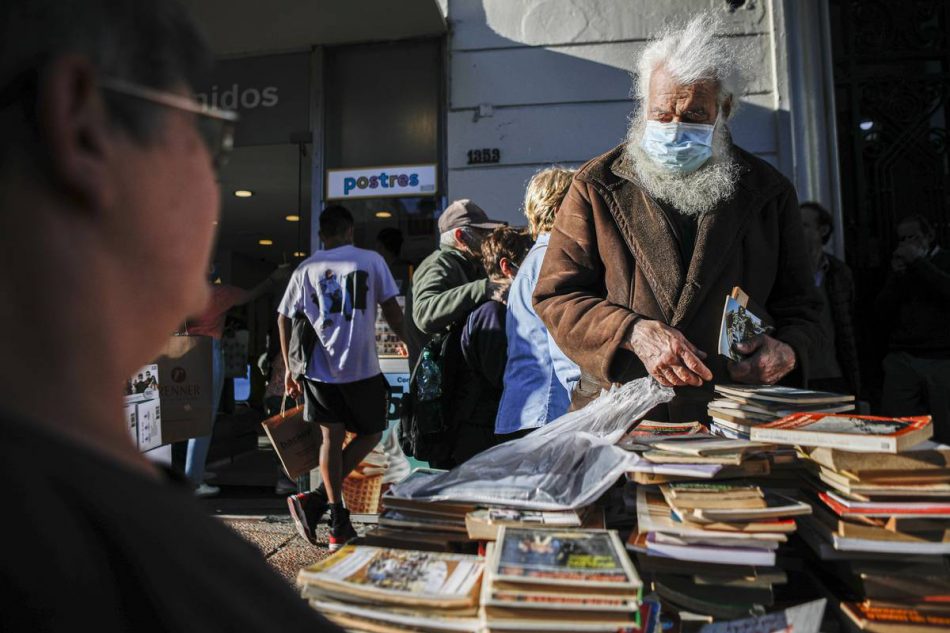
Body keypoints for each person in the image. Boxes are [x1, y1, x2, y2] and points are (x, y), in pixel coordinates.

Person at [0, 0, 343, 630]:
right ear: (85, 129)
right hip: (201, 362)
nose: (212, 181)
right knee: (196, 421)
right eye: (207, 136)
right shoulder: (174, 584)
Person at [533, 14, 823, 422]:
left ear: (724, 110)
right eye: (662, 114)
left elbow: (804, 308)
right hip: (627, 413)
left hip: (732, 413)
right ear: (643, 108)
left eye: (693, 116)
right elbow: (555, 297)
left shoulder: (767, 191)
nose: (674, 129)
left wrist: (788, 350)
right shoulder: (597, 185)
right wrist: (631, 331)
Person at [278, 205, 405, 551]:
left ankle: (328, 510)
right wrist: (411, 342)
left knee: (331, 441)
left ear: (322, 234)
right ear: (350, 231)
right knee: (372, 433)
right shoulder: (371, 260)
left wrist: (290, 368)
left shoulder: (307, 269)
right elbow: (392, 310)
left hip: (320, 371)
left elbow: (283, 316)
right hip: (362, 368)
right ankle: (329, 515)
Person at [183, 266, 291, 497]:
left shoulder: (187, 292)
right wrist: (274, 278)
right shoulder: (220, 293)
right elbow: (252, 294)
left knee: (190, 417)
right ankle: (193, 479)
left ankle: (195, 470)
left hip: (185, 352)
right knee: (205, 418)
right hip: (209, 350)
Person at [495, 167, 581, 440]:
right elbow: (564, 350)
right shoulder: (553, 261)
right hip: (548, 414)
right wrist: (588, 407)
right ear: (560, 210)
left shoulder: (535, 259)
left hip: (527, 412)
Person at [453, 227, 534, 463]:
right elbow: (499, 375)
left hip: (488, 426)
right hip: (482, 432)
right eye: (528, 264)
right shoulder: (492, 314)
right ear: (507, 267)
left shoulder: (499, 310)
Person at [404, 199, 508, 368]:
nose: (489, 238)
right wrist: (483, 289)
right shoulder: (439, 264)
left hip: (458, 379)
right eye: (482, 232)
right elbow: (424, 313)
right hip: (442, 384)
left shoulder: (468, 263)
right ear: (461, 237)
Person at [875, 214, 950, 442]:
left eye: (912, 237)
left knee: (944, 427)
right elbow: (880, 311)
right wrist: (897, 276)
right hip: (903, 355)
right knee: (902, 427)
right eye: (902, 239)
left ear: (929, 236)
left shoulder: (944, 261)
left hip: (941, 357)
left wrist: (919, 262)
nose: (907, 243)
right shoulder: (900, 268)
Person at [799, 201, 860, 396]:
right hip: (797, 376)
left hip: (833, 374)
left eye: (804, 225)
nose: (796, 230)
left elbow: (851, 324)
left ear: (822, 230)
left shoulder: (839, 273)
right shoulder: (783, 273)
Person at [376, 227, 414, 294]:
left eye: (380, 247)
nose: (377, 251)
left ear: (389, 248)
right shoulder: (380, 269)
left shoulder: (406, 268)